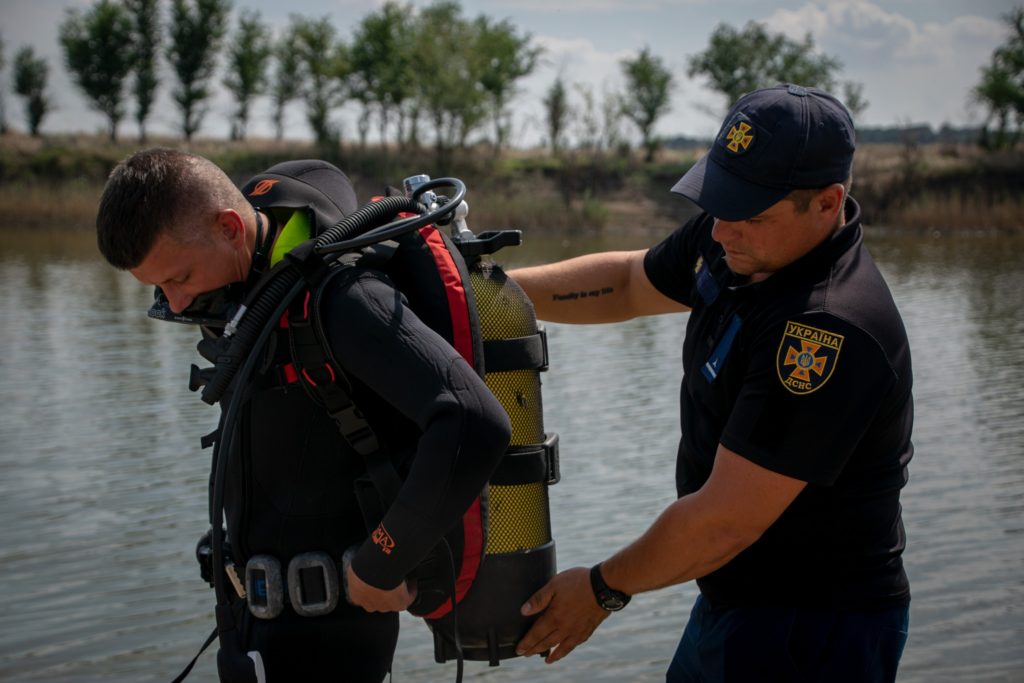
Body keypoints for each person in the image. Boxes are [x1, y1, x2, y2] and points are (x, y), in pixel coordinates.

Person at [511, 84, 913, 682]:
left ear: (828, 203)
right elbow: (626, 283)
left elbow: (725, 519)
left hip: (814, 628)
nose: (721, 230)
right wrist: (476, 291)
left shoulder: (826, 330)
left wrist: (599, 590)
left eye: (750, 213)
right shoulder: (739, 242)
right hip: (733, 598)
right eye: (720, 200)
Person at [95, 149, 511, 682]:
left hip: (334, 644)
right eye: (158, 288)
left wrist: (382, 560)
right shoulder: (250, 304)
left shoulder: (341, 298)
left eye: (179, 278)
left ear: (228, 228)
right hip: (257, 631)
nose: (175, 305)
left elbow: (473, 421)